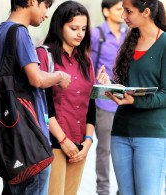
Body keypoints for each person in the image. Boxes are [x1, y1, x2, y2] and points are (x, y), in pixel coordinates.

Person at [0, 0, 71, 194]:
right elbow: (36, 78)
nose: (46, 14)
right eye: (45, 6)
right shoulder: (20, 33)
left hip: (9, 137)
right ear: (32, 1)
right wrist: (59, 76)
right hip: (29, 141)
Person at [37, 1, 99, 194]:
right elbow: (44, 105)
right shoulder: (45, 55)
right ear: (60, 25)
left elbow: (91, 103)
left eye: (83, 28)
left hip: (80, 143)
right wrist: (63, 140)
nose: (80, 33)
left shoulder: (86, 61)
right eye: (73, 28)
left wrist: (88, 141)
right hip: (54, 141)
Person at [105, 0, 166, 194]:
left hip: (151, 135)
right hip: (121, 131)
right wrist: (109, 86)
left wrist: (135, 100)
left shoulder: (164, 43)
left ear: (146, 12)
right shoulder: (129, 41)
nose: (123, 16)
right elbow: (125, 85)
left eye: (128, 11)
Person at [90, 1, 126, 194]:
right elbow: (85, 61)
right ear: (106, 11)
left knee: (123, 150)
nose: (122, 13)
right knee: (105, 150)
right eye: (118, 9)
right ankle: (102, 190)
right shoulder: (97, 35)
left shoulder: (129, 35)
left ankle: (124, 189)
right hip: (103, 103)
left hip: (125, 102)